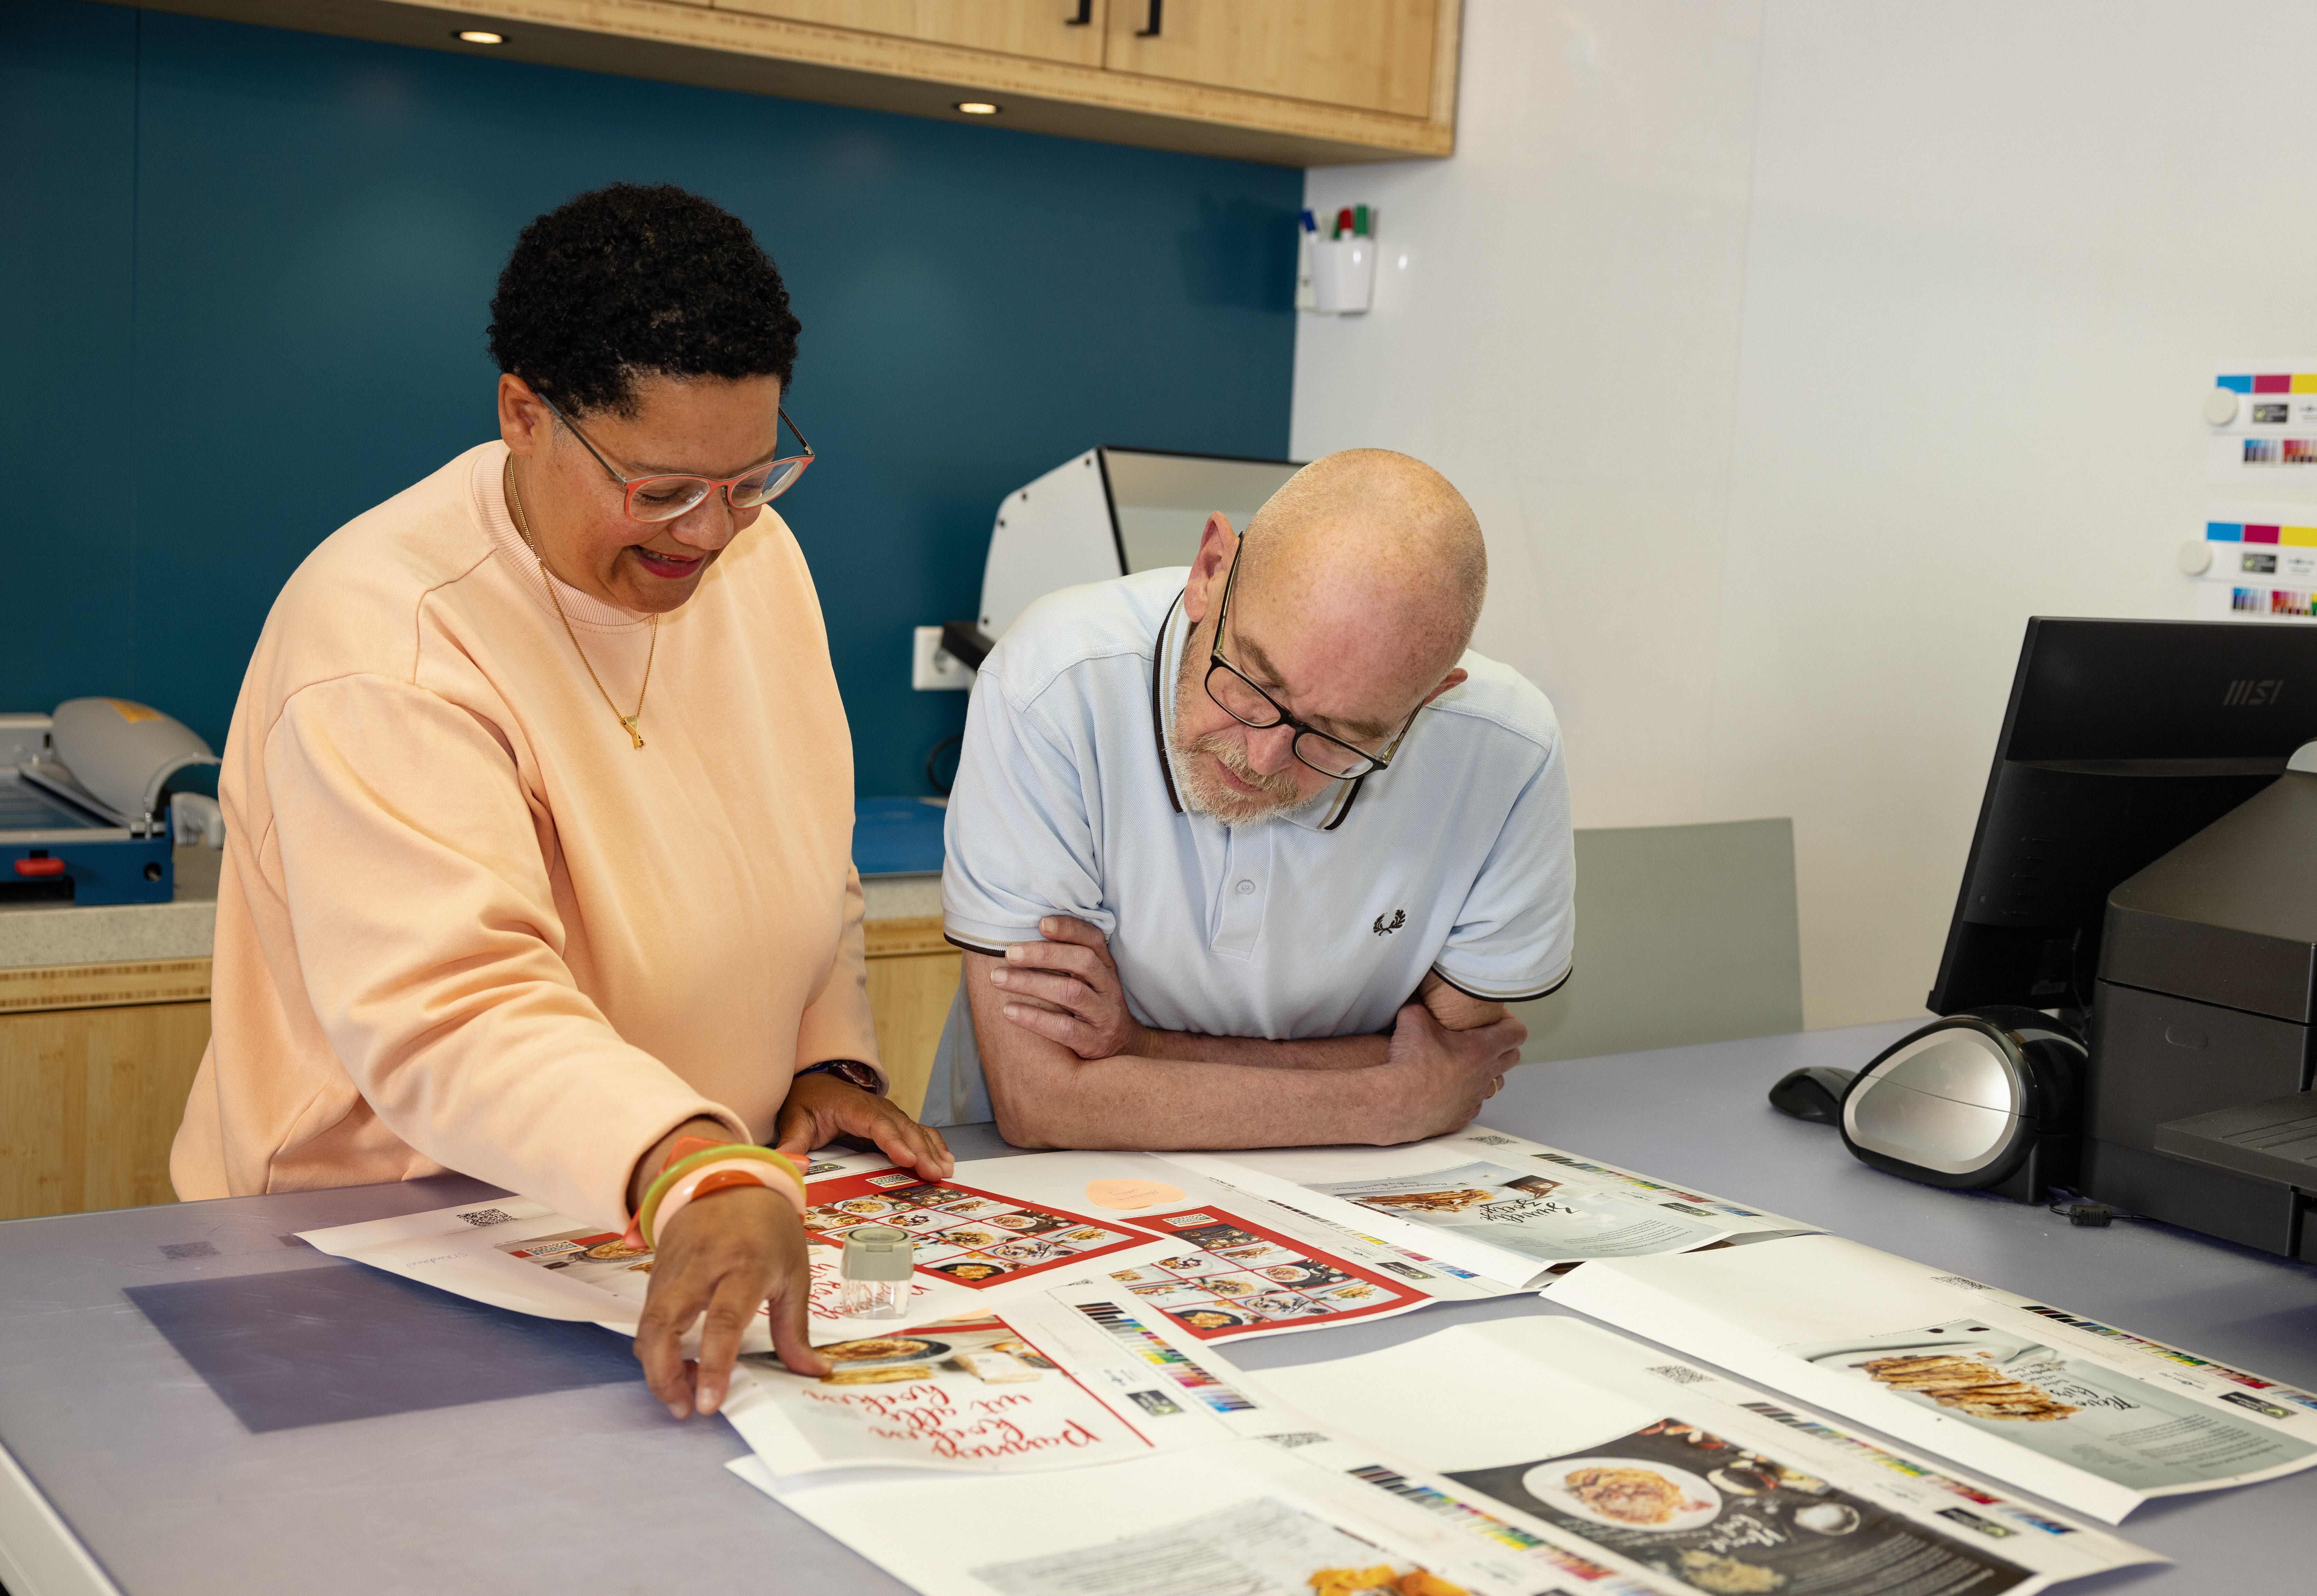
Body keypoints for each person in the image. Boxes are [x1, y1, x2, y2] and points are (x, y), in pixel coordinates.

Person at [172, 183, 950, 1419]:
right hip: (392, 1249)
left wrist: (825, 1054)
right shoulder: (388, 637)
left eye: (752, 480)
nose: (707, 534)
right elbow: (458, 1011)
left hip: (684, 1207)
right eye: (660, 491)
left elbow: (808, 854)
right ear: (524, 414)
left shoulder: (757, 562)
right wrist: (695, 1167)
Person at [930, 449, 1572, 1147]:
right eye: (1252, 684)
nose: (1263, 758)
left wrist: (1139, 1049)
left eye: (1338, 736)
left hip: (1361, 1192)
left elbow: (1456, 1057)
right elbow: (1044, 1101)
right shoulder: (1052, 680)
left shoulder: (1509, 749)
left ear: (1431, 700)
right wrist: (1383, 1103)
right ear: (1210, 570)